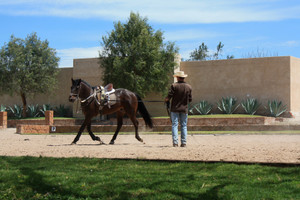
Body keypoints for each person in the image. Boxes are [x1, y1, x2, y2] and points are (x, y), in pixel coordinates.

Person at [165, 71, 192, 147]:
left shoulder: (174, 86)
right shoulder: (189, 87)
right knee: (184, 126)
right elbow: (190, 99)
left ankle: (175, 143)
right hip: (184, 109)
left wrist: (166, 100)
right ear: (183, 78)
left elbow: (169, 96)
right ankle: (183, 143)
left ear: (178, 77)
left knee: (174, 125)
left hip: (175, 109)